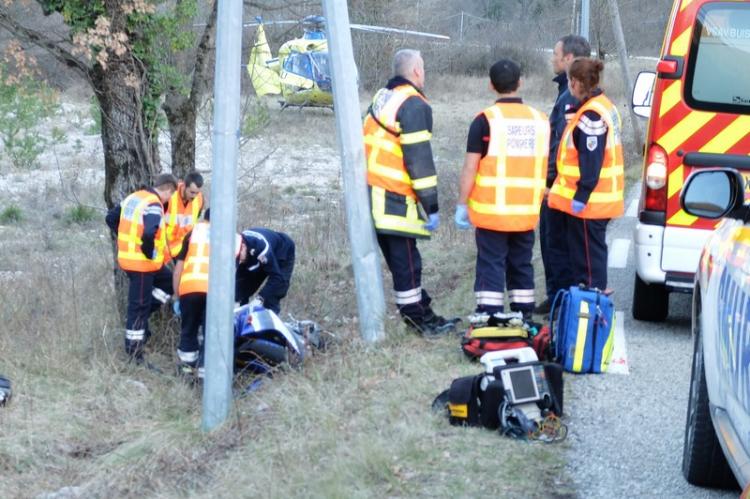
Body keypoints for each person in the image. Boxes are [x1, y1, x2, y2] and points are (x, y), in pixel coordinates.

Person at [363, 48, 457, 336]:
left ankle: (422, 312)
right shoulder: (413, 104)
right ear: (416, 71)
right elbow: (419, 160)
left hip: (372, 191)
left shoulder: (383, 97)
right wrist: (431, 205)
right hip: (392, 196)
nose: (424, 73)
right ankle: (418, 321)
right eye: (423, 68)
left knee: (404, 262)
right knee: (407, 263)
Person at [454, 59, 550, 320]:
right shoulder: (540, 120)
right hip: (526, 212)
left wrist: (462, 204)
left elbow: (470, 168)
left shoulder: (484, 121)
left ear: (490, 85)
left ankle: (490, 314)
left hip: (491, 212)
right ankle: (524, 315)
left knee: (491, 263)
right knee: (521, 263)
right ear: (520, 83)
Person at [547, 57, 624, 292]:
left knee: (589, 267)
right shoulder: (601, 106)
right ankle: (590, 306)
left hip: (590, 202)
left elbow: (591, 160)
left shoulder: (591, 115)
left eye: (571, 80)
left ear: (576, 82)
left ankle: (592, 309)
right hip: (593, 200)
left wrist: (581, 195)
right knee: (589, 258)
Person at [536, 35, 592, 315]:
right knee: (551, 241)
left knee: (556, 243)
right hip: (561, 184)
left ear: (568, 58)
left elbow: (562, 143)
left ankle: (561, 300)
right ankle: (556, 296)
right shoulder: (566, 92)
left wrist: (548, 178)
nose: (552, 58)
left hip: (561, 185)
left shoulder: (571, 96)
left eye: (556, 54)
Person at [105, 174, 178, 361]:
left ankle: (143, 319)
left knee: (169, 282)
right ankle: (134, 352)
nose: (169, 200)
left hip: (133, 260)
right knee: (138, 306)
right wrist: (147, 250)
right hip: (141, 263)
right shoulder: (154, 204)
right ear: (168, 190)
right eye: (171, 196)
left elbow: (111, 218)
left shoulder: (134, 197)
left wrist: (126, 238)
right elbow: (148, 233)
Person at [171, 208, 240, 377]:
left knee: (189, 331)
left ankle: (186, 372)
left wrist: (176, 296)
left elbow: (178, 268)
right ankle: (205, 376)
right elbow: (233, 273)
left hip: (190, 288)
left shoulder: (193, 232)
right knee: (211, 334)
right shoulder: (234, 238)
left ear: (205, 218)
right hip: (215, 293)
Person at [235, 228, 295, 314]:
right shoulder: (237, 249)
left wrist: (260, 298)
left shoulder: (262, 248)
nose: (239, 260)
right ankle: (240, 318)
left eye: (239, 257)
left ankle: (270, 321)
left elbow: (276, 277)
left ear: (243, 246)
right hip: (255, 256)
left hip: (282, 251)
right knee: (238, 291)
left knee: (274, 292)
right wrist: (237, 300)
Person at [165, 171, 204, 260]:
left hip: (184, 249)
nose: (194, 196)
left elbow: (195, 219)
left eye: (197, 193)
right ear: (184, 186)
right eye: (192, 192)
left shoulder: (200, 199)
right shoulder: (169, 195)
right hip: (165, 249)